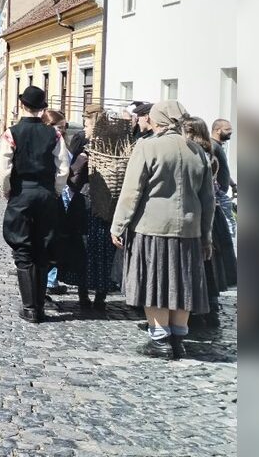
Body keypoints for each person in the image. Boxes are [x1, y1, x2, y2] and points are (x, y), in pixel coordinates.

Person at [110, 100, 213, 360]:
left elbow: (132, 191)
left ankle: (159, 340)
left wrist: (118, 225)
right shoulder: (197, 151)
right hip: (189, 230)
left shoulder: (148, 147)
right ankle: (179, 338)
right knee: (182, 282)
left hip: (152, 227)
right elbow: (208, 199)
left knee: (154, 281)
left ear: (158, 121)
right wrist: (206, 235)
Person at [0, 86, 70, 323]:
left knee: (23, 250)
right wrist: (55, 192)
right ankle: (39, 305)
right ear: (43, 107)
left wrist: (8, 191)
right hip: (46, 194)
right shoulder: (54, 135)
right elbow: (63, 168)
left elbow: (3, 170)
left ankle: (30, 308)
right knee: (43, 249)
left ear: (22, 105)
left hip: (22, 194)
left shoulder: (11, 133)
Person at [57, 104, 115, 310]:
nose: (85, 128)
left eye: (87, 124)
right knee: (103, 251)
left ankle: (84, 296)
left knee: (83, 249)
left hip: (87, 201)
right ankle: (100, 296)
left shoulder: (85, 144)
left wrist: (75, 171)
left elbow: (73, 177)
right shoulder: (115, 142)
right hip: (107, 204)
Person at [184, 116, 237, 329]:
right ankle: (209, 308)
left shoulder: (199, 155)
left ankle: (200, 310)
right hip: (210, 214)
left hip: (202, 215)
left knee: (202, 263)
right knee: (209, 264)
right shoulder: (208, 152)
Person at [39, 109, 72, 298]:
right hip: (54, 195)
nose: (63, 131)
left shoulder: (60, 141)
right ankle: (46, 283)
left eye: (64, 127)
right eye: (59, 127)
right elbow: (63, 170)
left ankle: (47, 282)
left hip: (57, 195)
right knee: (48, 242)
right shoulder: (53, 143)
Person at [211, 118, 237, 238]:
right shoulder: (212, 146)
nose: (230, 132)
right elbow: (211, 169)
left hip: (221, 191)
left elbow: (222, 170)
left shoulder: (220, 146)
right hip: (217, 193)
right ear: (217, 130)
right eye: (227, 129)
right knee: (229, 224)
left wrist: (233, 184)